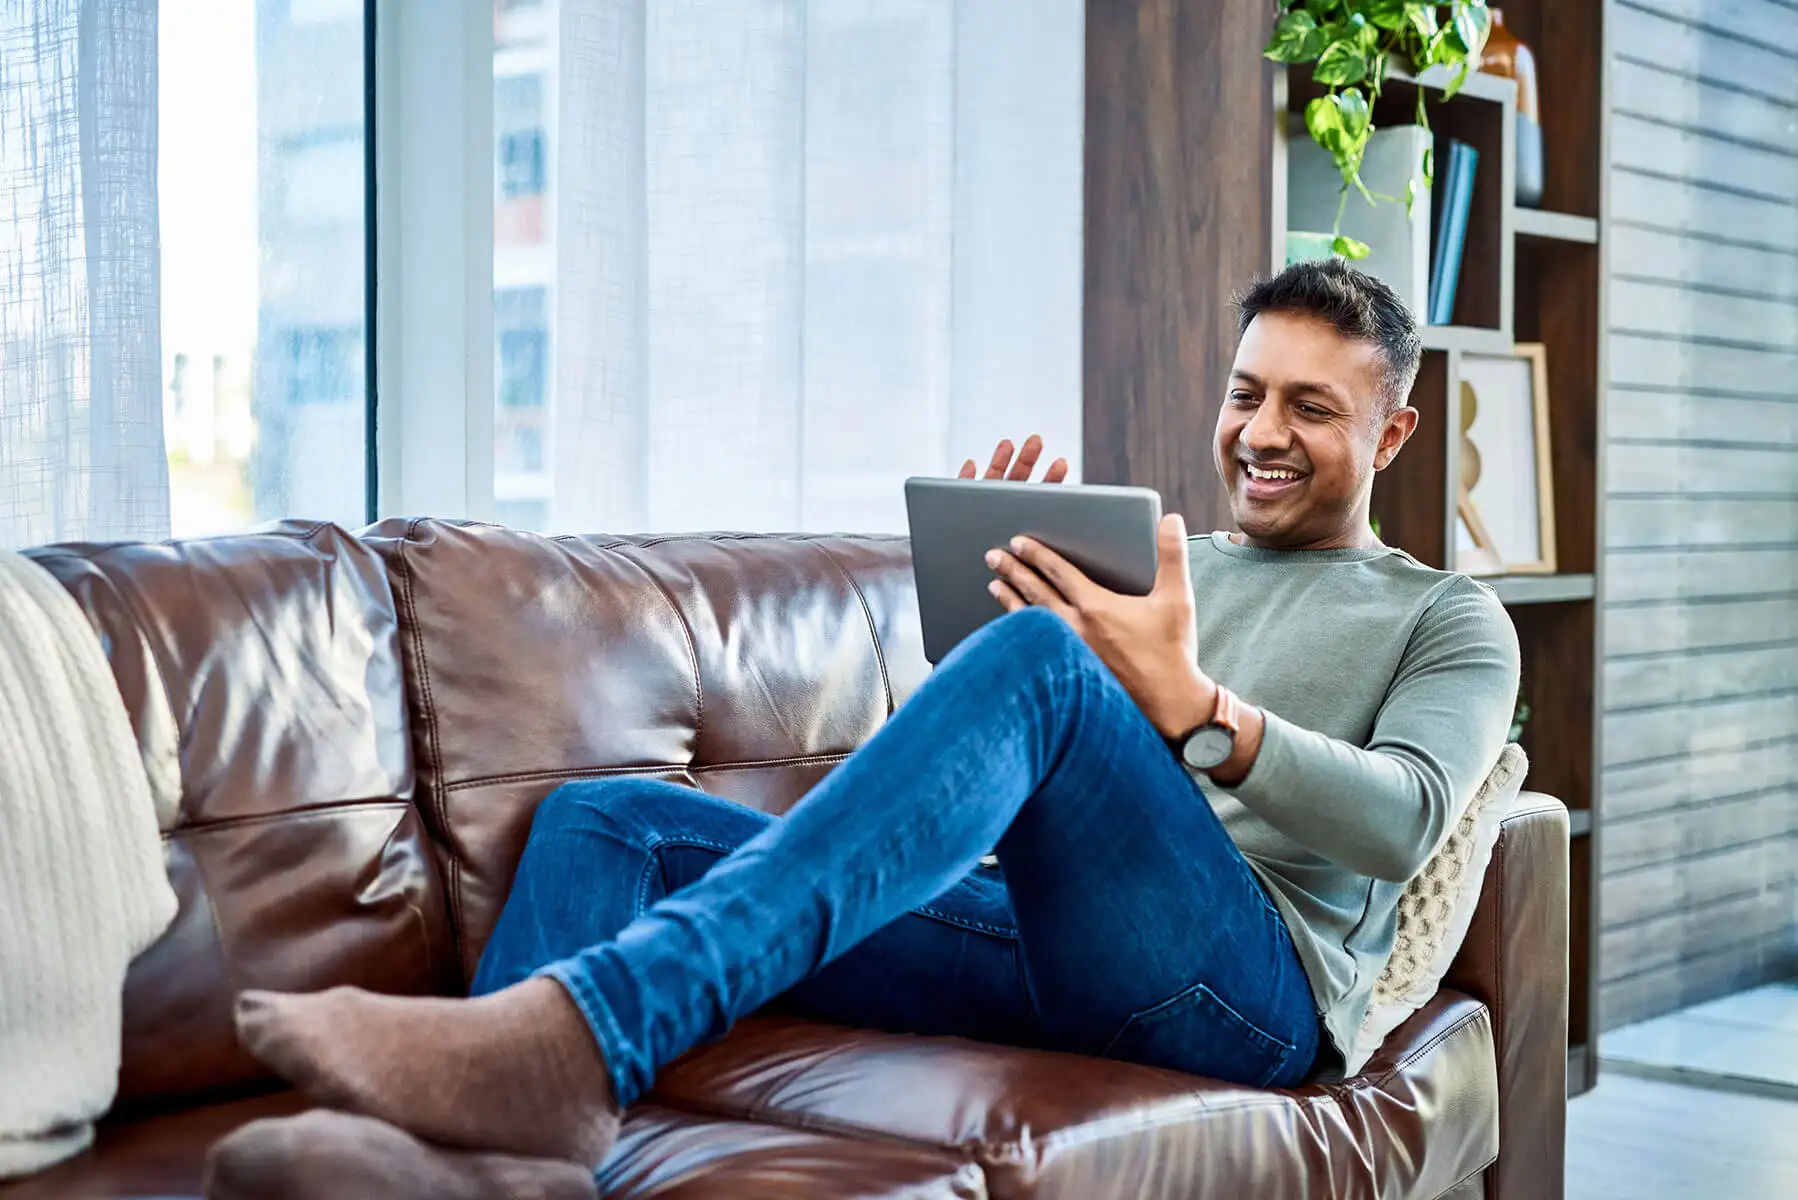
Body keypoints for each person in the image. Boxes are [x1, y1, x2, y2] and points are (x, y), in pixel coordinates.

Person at [202, 259, 1520, 1199]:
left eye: (1310, 407)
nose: (1260, 433)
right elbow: (1014, 796)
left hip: (1242, 993)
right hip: (1039, 937)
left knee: (1043, 670)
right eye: (1247, 393)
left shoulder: (1447, 619)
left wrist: (1187, 706)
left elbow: (1401, 819)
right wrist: (984, 630)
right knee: (609, 822)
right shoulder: (1161, 564)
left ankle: (575, 1037)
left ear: (1393, 430)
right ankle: (490, 1166)